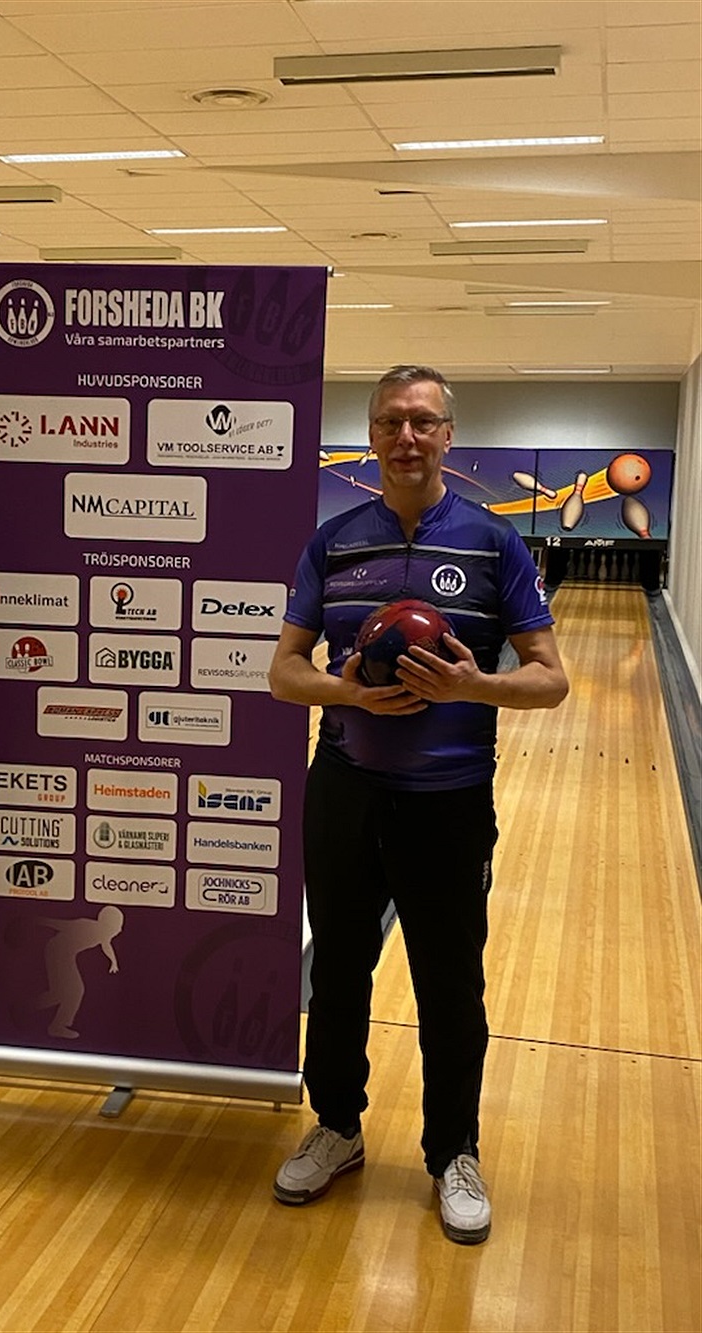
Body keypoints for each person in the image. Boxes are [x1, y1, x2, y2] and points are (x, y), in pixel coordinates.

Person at [268, 366, 568, 1243]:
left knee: (449, 983)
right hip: (346, 790)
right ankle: (337, 1127)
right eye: (391, 421)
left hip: (449, 801)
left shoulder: (493, 543)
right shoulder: (332, 543)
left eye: (423, 422)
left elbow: (551, 679)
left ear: (447, 436)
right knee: (339, 971)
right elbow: (283, 672)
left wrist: (475, 685)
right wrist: (349, 692)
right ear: (372, 435)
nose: (407, 436)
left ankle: (453, 1152)